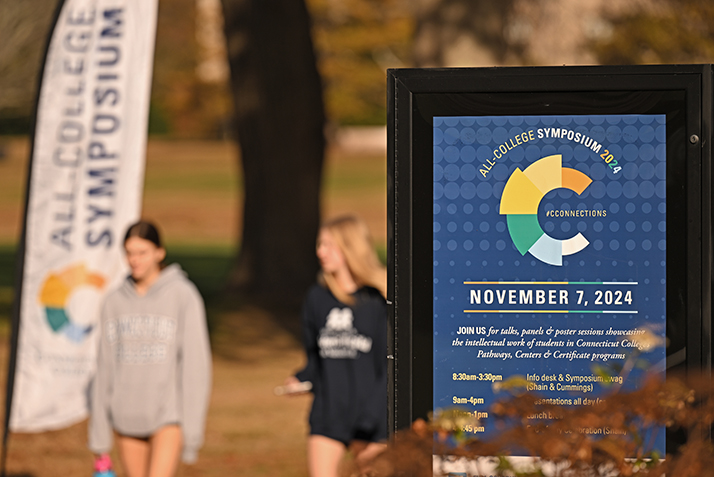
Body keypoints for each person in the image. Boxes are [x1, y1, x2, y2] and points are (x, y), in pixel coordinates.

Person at [88, 221, 212, 477]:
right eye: (129, 253)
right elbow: (104, 368)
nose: (135, 260)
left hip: (167, 415)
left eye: (142, 253)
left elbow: (196, 367)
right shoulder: (114, 301)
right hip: (125, 414)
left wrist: (193, 432)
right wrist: (99, 437)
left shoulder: (183, 296)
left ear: (159, 252)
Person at [284, 215, 388, 477]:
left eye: (328, 245)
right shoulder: (317, 298)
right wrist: (301, 378)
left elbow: (388, 368)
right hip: (329, 415)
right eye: (320, 244)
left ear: (350, 248)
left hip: (373, 420)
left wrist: (370, 419)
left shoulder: (378, 301)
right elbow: (315, 359)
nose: (320, 252)